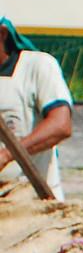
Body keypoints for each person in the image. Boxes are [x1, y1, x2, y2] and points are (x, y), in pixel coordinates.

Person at [0, 18, 74, 198]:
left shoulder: (36, 67)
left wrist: (8, 155)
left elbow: (60, 125)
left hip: (33, 202)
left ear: (2, 34)